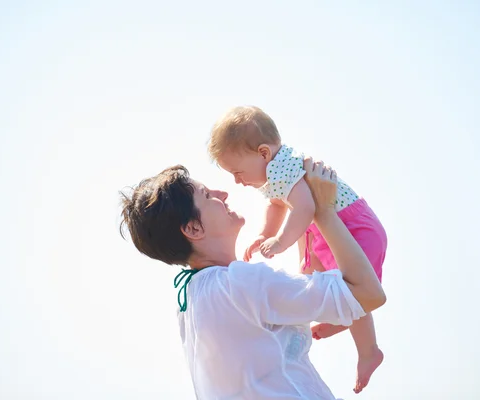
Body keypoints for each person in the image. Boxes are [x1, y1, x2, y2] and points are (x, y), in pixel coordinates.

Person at [119, 158, 385, 399]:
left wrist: (307, 224)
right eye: (207, 195)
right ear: (193, 228)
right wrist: (323, 212)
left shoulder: (192, 302)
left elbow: (301, 292)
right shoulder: (238, 284)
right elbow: (367, 294)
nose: (222, 194)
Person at [208, 106, 388, 393]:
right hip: (328, 226)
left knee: (352, 286)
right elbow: (278, 203)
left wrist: (280, 241)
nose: (237, 181)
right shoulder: (273, 172)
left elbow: (304, 206)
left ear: (263, 153)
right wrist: (265, 233)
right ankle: (340, 318)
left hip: (352, 225)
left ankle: (369, 351)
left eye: (238, 172)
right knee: (311, 272)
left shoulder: (283, 167)